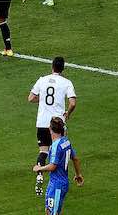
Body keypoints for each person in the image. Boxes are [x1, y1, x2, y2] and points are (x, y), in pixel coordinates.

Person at [28, 56, 77, 196]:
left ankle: (39, 173)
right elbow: (72, 103)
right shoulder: (66, 82)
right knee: (61, 149)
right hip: (57, 123)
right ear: (63, 68)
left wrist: (42, 100)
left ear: (52, 66)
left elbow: (31, 98)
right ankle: (58, 180)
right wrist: (68, 113)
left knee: (43, 151)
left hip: (42, 122)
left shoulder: (42, 80)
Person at [32, 117, 84, 214]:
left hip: (58, 184)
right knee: (48, 210)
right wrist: (78, 174)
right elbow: (75, 159)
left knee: (54, 213)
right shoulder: (66, 142)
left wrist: (39, 168)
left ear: (50, 129)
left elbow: (53, 166)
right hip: (54, 183)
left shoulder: (56, 146)